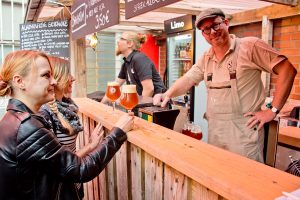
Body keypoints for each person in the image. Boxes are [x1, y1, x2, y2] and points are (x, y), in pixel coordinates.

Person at [153, 8, 297, 162]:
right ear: (202, 34)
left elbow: (287, 70)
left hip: (244, 137)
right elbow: (188, 79)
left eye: (216, 25)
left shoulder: (249, 46)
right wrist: (167, 94)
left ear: (226, 23)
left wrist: (272, 111)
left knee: (244, 180)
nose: (212, 32)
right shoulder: (207, 57)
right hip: (215, 133)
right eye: (206, 30)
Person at [0, 50, 134, 199]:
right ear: (20, 81)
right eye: (46, 75)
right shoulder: (27, 127)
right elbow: (81, 169)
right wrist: (118, 132)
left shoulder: (13, 118)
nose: (54, 81)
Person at [39, 56, 103, 199]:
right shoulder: (45, 113)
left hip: (74, 183)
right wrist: (91, 146)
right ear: (57, 78)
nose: (73, 78)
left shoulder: (66, 105)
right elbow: (59, 165)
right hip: (61, 190)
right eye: (68, 74)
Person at [102, 31, 166, 103]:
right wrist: (101, 104)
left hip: (158, 105)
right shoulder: (126, 63)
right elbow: (115, 86)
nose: (118, 41)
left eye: (121, 39)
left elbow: (149, 89)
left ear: (130, 43)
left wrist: (137, 108)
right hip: (144, 105)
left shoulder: (139, 59)